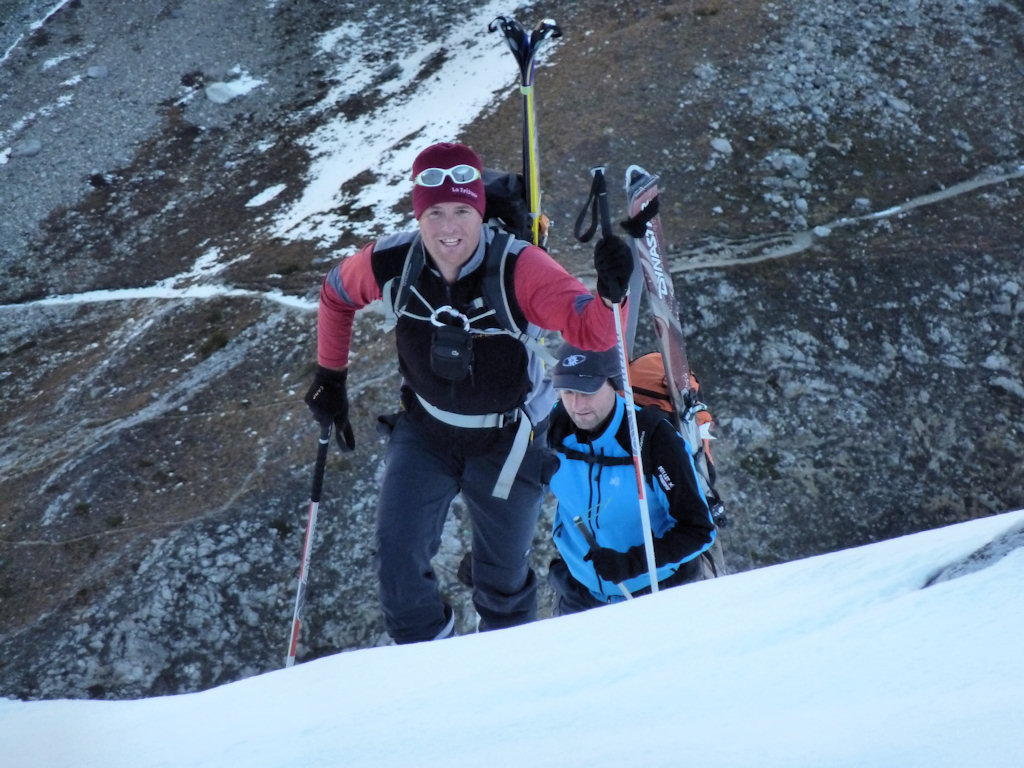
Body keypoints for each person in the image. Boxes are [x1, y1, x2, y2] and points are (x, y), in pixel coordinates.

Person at [304, 141, 634, 643]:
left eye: (461, 210)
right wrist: (331, 375)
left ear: (479, 210)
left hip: (509, 442)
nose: (448, 227)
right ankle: (429, 667)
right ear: (419, 215)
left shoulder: (519, 268)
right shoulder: (392, 261)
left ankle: (501, 677)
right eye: (434, 213)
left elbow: (594, 331)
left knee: (500, 581)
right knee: (396, 559)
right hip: (425, 430)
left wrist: (615, 294)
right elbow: (336, 293)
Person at [546, 342, 717, 614]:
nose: (577, 405)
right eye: (568, 391)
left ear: (614, 385)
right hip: (579, 594)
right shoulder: (553, 430)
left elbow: (699, 530)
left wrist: (632, 563)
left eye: (587, 390)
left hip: (659, 593)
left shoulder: (652, 439)